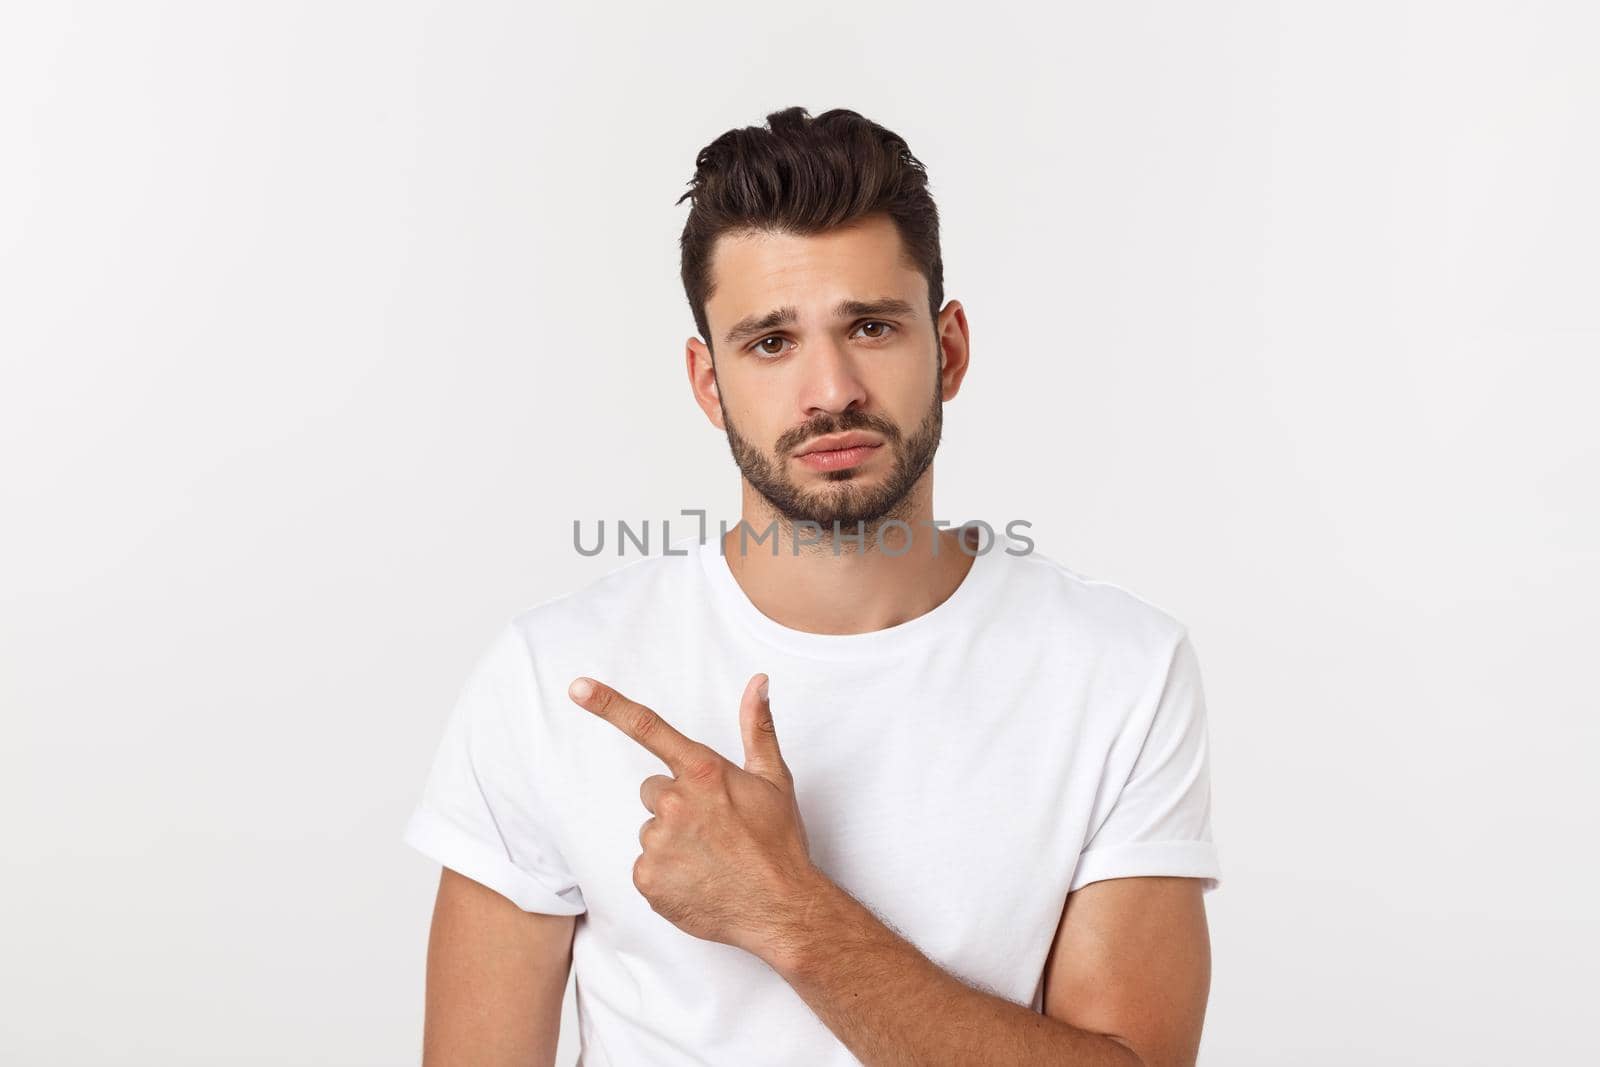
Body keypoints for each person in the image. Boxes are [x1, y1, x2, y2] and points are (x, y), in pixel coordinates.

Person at [403, 105, 1222, 1066]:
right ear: (709, 385)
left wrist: (784, 908)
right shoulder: (555, 677)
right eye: (771, 342)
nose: (830, 389)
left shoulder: (1120, 670)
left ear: (947, 349)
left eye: (871, 326)